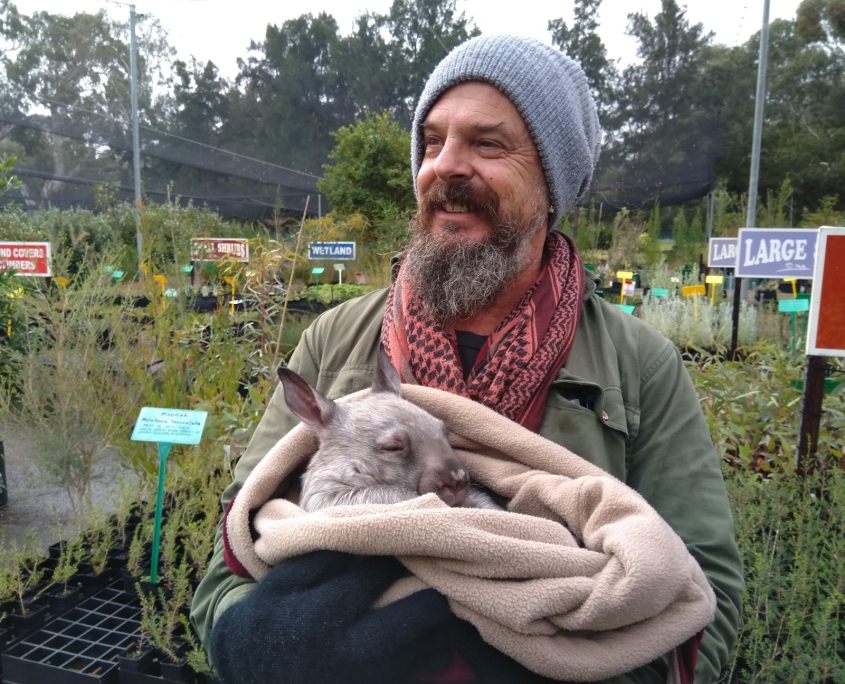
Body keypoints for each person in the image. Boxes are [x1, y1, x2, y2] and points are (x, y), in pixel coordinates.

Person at [191, 34, 743, 684]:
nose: (444, 167)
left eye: (487, 143)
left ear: (552, 180)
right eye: (431, 142)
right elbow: (231, 554)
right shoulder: (336, 338)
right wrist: (258, 645)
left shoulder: (635, 362)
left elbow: (702, 591)